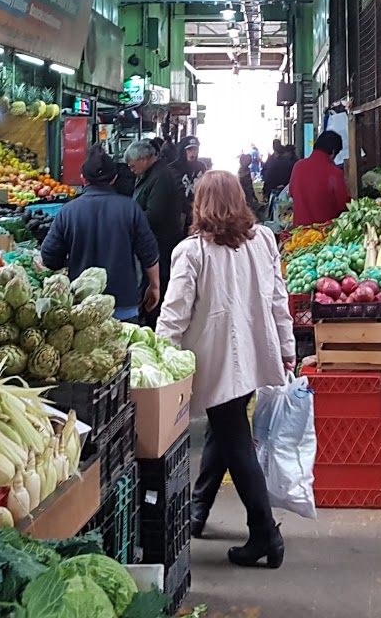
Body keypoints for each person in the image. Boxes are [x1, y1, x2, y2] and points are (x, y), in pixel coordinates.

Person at [157, 171, 295, 569]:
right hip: (254, 355)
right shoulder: (264, 239)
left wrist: (160, 356)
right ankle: (198, 511)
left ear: (199, 204)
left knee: (235, 439)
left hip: (216, 360)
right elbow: (277, 300)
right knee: (226, 428)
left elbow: (174, 313)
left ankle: (265, 532)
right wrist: (286, 348)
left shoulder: (193, 251)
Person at [40, 147, 160, 321]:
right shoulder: (130, 208)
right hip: (123, 304)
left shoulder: (68, 212)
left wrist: (70, 262)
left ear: (83, 179)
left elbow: (49, 258)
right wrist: (155, 286)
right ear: (114, 179)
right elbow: (149, 254)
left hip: (82, 308)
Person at [125, 140, 187, 302]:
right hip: (155, 240)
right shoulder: (154, 173)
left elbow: (155, 214)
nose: (132, 171)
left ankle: (153, 316)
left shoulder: (161, 177)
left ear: (143, 159)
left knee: (157, 282)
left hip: (160, 241)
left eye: (132, 166)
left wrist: (131, 220)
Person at [288, 130, 349, 227]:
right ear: (333, 152)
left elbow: (291, 194)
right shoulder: (334, 173)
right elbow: (344, 206)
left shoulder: (298, 166)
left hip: (299, 235)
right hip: (324, 235)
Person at [260, 141, 295, 206]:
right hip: (286, 191)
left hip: (273, 191)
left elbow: (267, 177)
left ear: (276, 151)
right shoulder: (290, 163)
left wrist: (265, 191)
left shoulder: (272, 162)